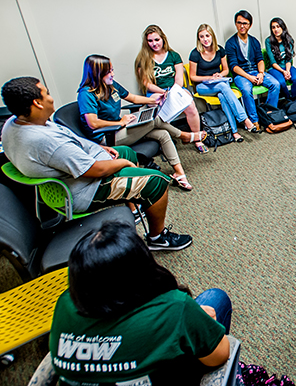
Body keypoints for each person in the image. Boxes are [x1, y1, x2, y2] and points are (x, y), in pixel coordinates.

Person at [1, 76, 192, 251]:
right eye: (47, 94)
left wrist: (100, 149)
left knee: (126, 151)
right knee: (157, 181)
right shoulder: (44, 141)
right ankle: (158, 238)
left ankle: (134, 207)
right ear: (37, 103)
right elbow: (95, 170)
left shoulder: (14, 123)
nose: (51, 98)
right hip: (84, 189)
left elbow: (73, 143)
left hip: (77, 175)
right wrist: (122, 163)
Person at [49, 221, 230, 386]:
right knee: (216, 299)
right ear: (141, 270)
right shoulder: (176, 308)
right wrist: (197, 322)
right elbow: (220, 356)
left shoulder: (65, 304)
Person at [78, 54, 197, 191]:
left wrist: (155, 100)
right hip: (108, 137)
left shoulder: (110, 85)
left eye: (112, 69)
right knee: (155, 119)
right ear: (97, 73)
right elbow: (93, 123)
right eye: (109, 71)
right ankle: (184, 135)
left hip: (120, 128)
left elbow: (132, 98)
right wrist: (121, 122)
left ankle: (179, 173)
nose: (113, 74)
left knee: (163, 133)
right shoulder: (86, 94)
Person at [134, 25, 208, 153]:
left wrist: (171, 92)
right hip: (156, 91)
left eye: (157, 40)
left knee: (190, 104)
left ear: (163, 39)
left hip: (175, 89)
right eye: (150, 41)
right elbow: (146, 83)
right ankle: (166, 141)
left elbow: (179, 79)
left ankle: (197, 138)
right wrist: (162, 93)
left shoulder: (173, 56)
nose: (154, 44)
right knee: (157, 108)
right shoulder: (142, 59)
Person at [189, 23, 254, 141]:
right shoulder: (195, 54)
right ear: (198, 39)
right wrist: (208, 78)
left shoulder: (220, 50)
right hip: (203, 86)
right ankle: (245, 119)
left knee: (223, 96)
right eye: (202, 37)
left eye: (207, 36)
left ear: (212, 36)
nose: (205, 39)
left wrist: (220, 74)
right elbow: (192, 77)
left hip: (219, 84)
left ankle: (234, 133)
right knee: (223, 87)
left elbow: (226, 70)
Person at [225, 10, 280, 132]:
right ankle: (254, 120)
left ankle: (269, 114)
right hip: (241, 74)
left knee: (275, 84)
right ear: (236, 24)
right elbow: (234, 66)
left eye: (245, 23)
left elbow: (260, 60)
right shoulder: (230, 43)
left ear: (250, 25)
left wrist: (261, 73)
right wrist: (249, 77)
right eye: (239, 23)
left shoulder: (254, 41)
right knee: (246, 89)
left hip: (256, 71)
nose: (242, 26)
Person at [265, 18, 296, 102]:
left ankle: (294, 99)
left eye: (278, 26)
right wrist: (283, 71)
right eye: (273, 27)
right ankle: (288, 99)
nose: (276, 29)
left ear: (282, 28)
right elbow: (272, 62)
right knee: (281, 82)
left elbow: (289, 59)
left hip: (287, 66)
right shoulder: (268, 41)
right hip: (274, 68)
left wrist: (287, 71)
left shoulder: (289, 40)